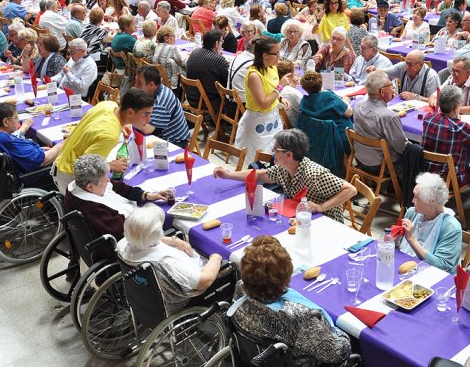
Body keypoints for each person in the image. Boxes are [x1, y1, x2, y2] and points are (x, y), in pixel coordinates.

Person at [228, 236, 352, 366]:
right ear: (287, 276)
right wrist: (340, 333)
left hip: (256, 354)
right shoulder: (300, 316)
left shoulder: (240, 287)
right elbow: (338, 354)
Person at [213, 129, 356, 222]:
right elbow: (257, 175)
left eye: (275, 149)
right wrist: (228, 174)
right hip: (299, 218)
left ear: (289, 154)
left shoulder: (315, 174)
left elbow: (350, 190)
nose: (273, 152)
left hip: (325, 222)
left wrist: (321, 206)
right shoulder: (283, 168)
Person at [118, 206, 226, 314]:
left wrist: (174, 241)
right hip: (186, 295)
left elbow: (142, 235)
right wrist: (216, 257)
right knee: (228, 264)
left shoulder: (123, 244)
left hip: (143, 296)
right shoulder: (167, 262)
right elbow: (204, 281)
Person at [52, 88, 155, 194]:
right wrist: (111, 166)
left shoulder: (108, 105)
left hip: (61, 162)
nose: (149, 119)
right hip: (69, 176)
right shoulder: (110, 135)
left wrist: (121, 126)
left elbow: (91, 120)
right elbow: (85, 168)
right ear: (130, 112)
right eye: (146, 114)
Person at [64, 154, 174, 240]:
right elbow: (121, 231)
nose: (108, 180)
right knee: (163, 215)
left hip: (128, 229)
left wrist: (147, 195)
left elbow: (118, 187)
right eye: (105, 178)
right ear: (90, 187)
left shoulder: (81, 183)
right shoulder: (90, 207)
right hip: (125, 243)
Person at [423, 85, 470, 206]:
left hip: (426, 172)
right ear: (456, 106)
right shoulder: (460, 127)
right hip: (448, 178)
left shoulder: (428, 118)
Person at [234, 38, 293, 166]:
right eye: (276, 53)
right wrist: (280, 87)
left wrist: (280, 98)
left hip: (272, 118)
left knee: (272, 156)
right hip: (257, 120)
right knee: (254, 162)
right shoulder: (254, 75)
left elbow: (270, 91)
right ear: (265, 55)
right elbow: (263, 102)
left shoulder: (272, 68)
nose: (279, 56)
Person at [394, 172, 462, 273]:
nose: (412, 200)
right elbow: (397, 247)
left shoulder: (451, 227)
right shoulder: (412, 212)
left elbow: (442, 266)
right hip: (405, 267)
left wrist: (412, 240)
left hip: (433, 277)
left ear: (432, 200)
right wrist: (394, 239)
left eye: (416, 197)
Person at [352, 71, 409, 173]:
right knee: (416, 155)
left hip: (360, 160)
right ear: (382, 91)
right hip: (382, 166)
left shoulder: (358, 105)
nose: (393, 88)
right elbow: (402, 148)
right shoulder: (389, 117)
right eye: (391, 85)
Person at [0, 102, 61, 172]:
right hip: (25, 179)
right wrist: (62, 145)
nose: (18, 121)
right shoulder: (6, 141)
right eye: (16, 118)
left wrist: (39, 149)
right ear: (6, 122)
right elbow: (42, 160)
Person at [133, 66, 190, 149]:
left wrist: (130, 117)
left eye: (139, 83)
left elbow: (147, 129)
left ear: (151, 85)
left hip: (174, 143)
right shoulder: (152, 91)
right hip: (160, 137)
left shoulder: (161, 102)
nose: (135, 86)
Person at [185, 29, 229, 115]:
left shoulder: (194, 52)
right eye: (221, 42)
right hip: (208, 102)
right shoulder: (218, 60)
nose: (221, 45)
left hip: (190, 97)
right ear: (216, 44)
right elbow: (228, 81)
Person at [151, 27, 186, 92]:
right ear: (166, 38)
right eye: (173, 36)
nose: (175, 38)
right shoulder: (172, 48)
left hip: (160, 82)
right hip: (173, 85)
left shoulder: (156, 47)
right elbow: (184, 64)